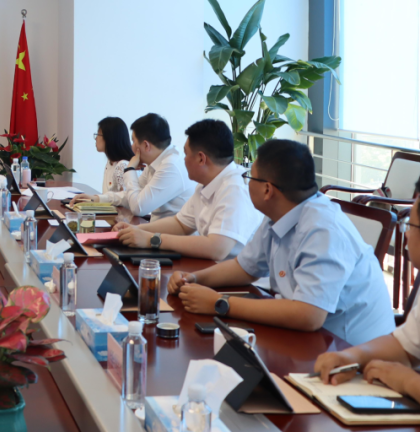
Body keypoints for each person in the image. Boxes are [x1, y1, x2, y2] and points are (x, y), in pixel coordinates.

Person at [168, 139, 395, 346]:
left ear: (267, 190)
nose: (246, 183)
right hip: (311, 340)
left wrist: (220, 303)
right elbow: (244, 267)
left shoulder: (323, 229)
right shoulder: (279, 215)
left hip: (354, 354)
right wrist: (194, 278)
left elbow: (308, 315)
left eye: (250, 177)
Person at [312, 175, 420, 417]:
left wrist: (409, 381)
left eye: (410, 226)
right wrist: (351, 356)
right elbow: (403, 347)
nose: (406, 235)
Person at [112, 119, 264, 260]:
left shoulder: (234, 189)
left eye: (186, 154)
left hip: (236, 277)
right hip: (213, 267)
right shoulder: (205, 184)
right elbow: (180, 224)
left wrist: (152, 239)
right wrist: (137, 229)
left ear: (201, 158)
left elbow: (217, 248)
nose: (183, 159)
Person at [74, 113, 191, 220]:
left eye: (134, 141)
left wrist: (130, 169)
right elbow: (129, 196)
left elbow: (138, 208)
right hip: (155, 230)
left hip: (168, 235)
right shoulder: (156, 162)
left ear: (146, 146)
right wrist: (97, 199)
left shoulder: (171, 166)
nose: (132, 147)